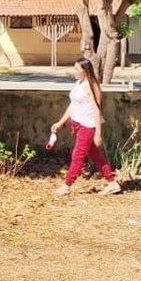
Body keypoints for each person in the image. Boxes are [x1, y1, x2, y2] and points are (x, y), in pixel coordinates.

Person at [51, 58, 121, 197]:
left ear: (85, 71)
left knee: (77, 155)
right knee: (95, 155)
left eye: (77, 69)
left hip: (88, 126)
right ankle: (112, 183)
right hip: (78, 124)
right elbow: (73, 106)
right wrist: (60, 123)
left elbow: (97, 110)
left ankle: (67, 186)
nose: (74, 71)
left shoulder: (91, 86)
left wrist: (98, 134)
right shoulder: (79, 83)